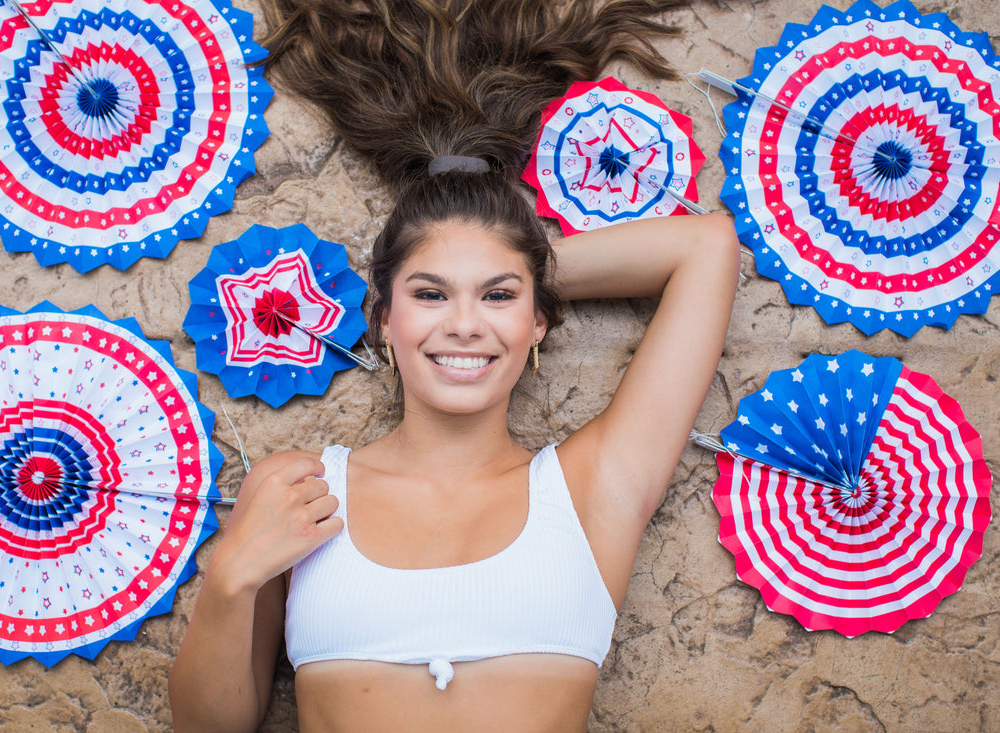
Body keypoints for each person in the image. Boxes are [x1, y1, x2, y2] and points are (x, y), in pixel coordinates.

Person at [169, 1, 740, 730]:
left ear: (538, 320)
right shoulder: (300, 491)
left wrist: (512, 258)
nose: (465, 322)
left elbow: (705, 248)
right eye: (430, 293)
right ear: (384, 317)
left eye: (498, 297)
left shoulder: (596, 487)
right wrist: (230, 582)